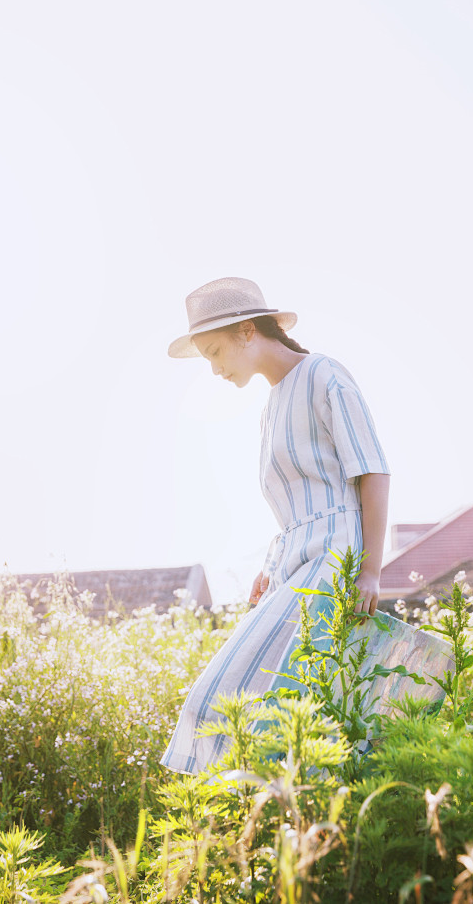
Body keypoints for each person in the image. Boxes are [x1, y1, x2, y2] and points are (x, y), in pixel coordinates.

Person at [161, 277, 390, 774]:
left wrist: (370, 569)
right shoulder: (269, 409)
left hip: (336, 556)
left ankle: (297, 821)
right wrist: (271, 565)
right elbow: (294, 505)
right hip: (293, 560)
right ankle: (267, 819)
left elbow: (372, 471)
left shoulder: (324, 375)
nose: (216, 369)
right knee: (240, 698)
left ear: (248, 331)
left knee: (285, 698)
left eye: (216, 352)